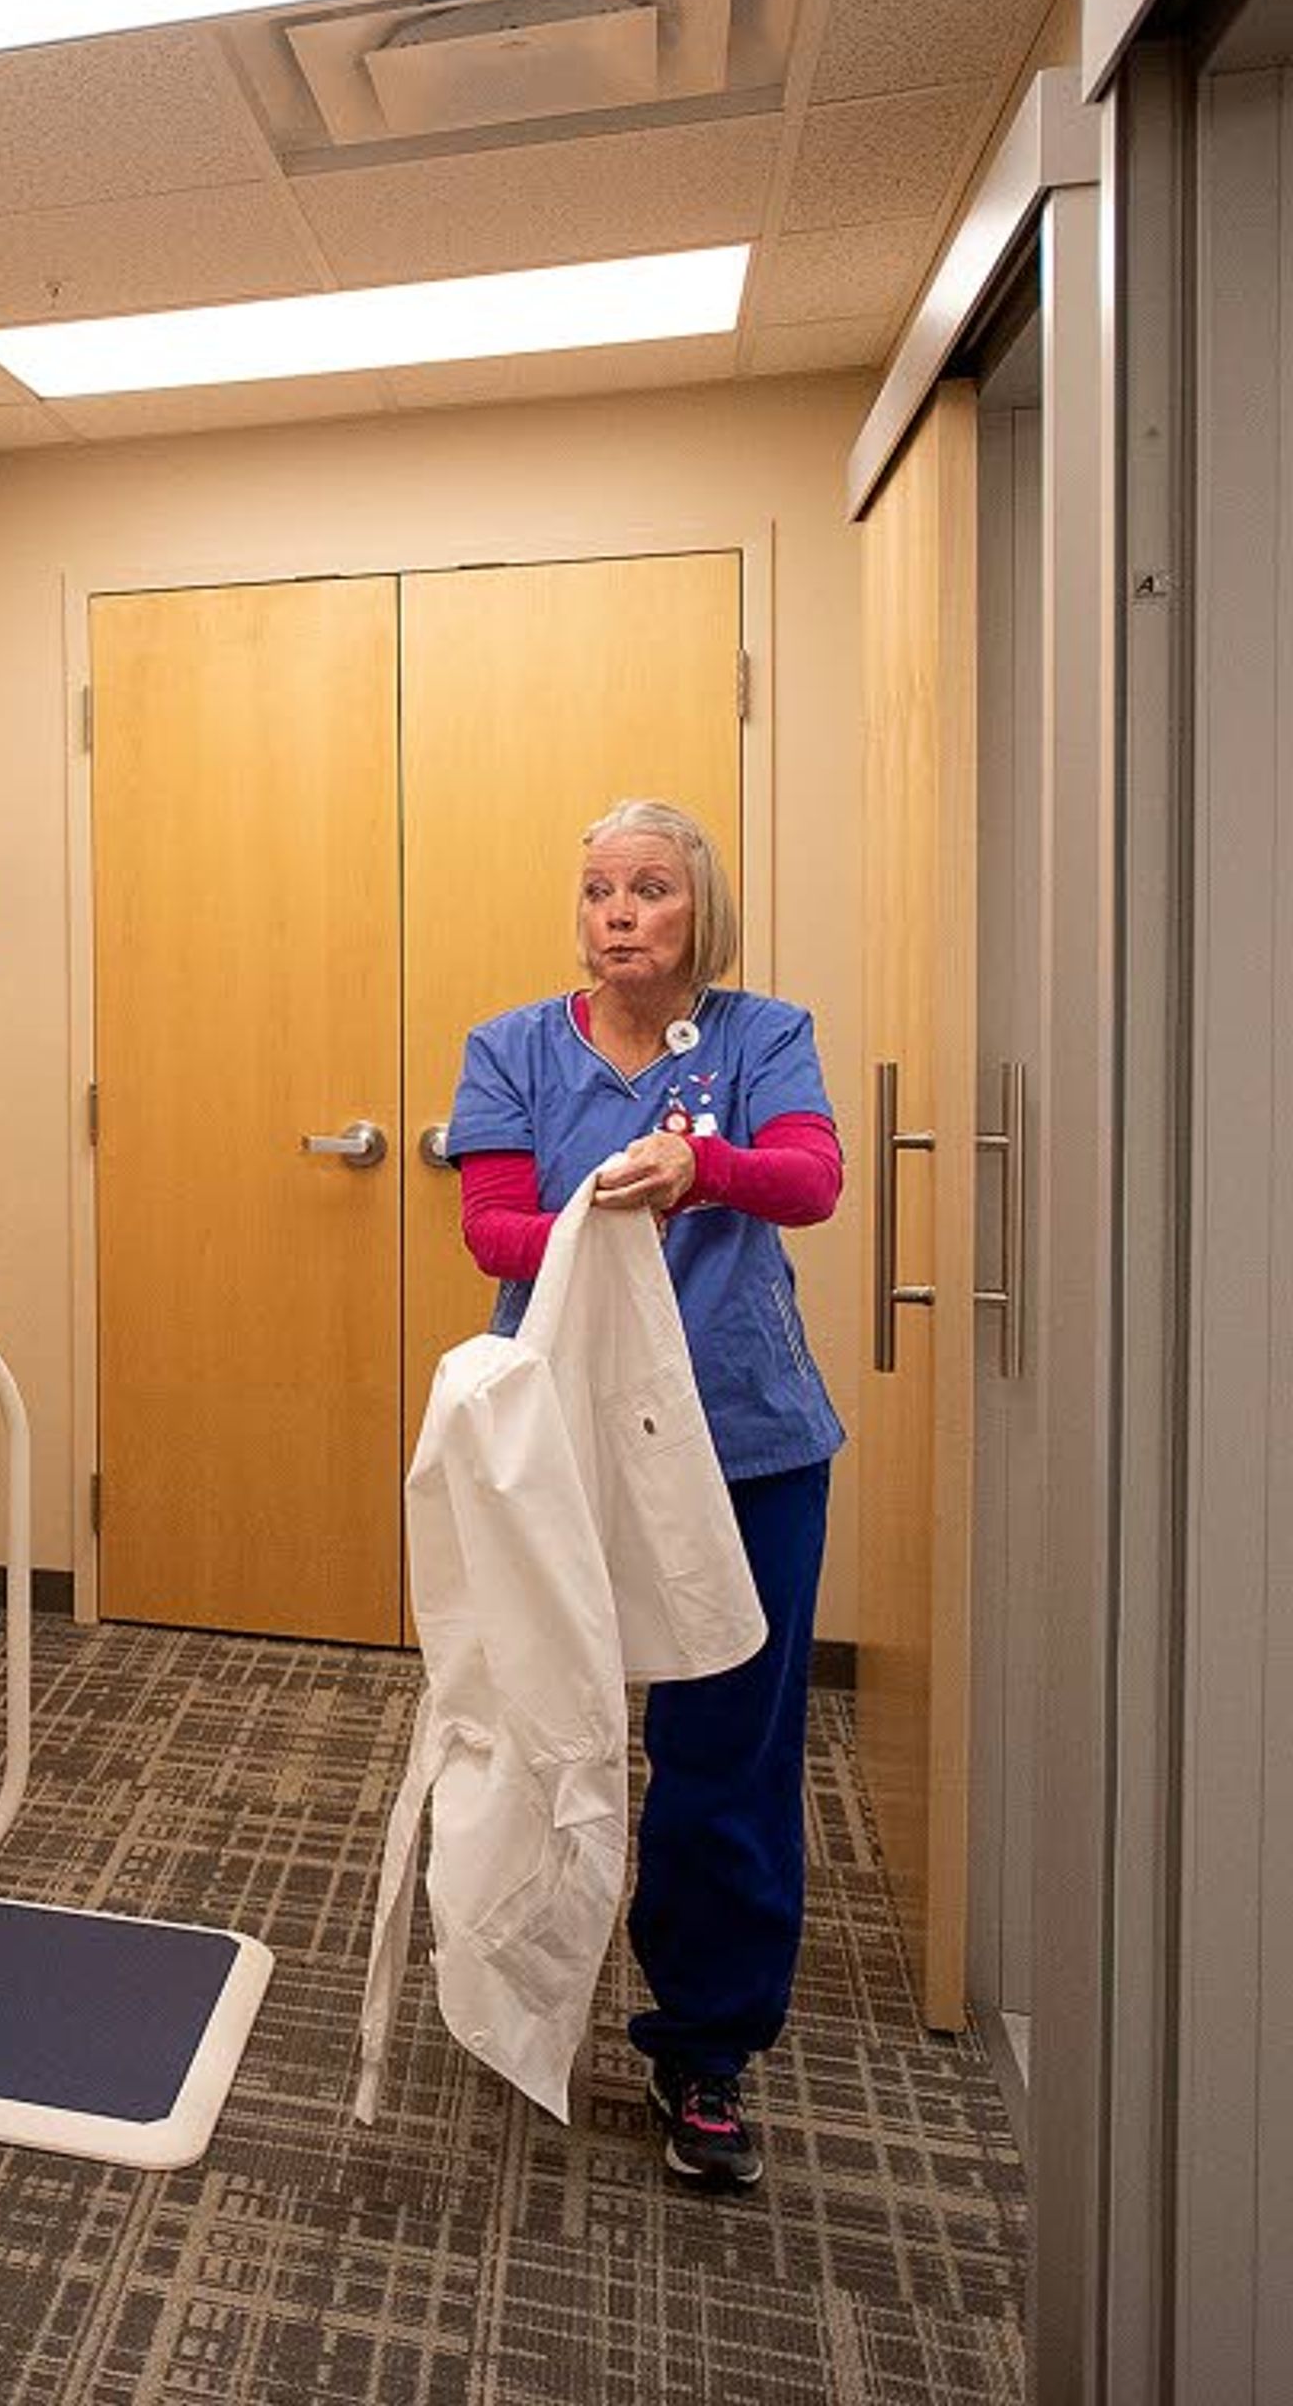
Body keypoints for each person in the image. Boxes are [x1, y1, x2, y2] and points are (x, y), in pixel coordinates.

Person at [444, 798, 845, 2194]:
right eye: (602, 888)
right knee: (522, 1719)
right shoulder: (510, 1048)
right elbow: (492, 1225)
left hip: (747, 1445)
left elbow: (810, 1181)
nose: (621, 912)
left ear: (699, 911)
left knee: (727, 1750)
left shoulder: (760, 1036)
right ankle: (498, 1973)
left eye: (652, 890)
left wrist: (707, 1164)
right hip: (558, 1447)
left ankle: (706, 2051)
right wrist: (625, 1192)